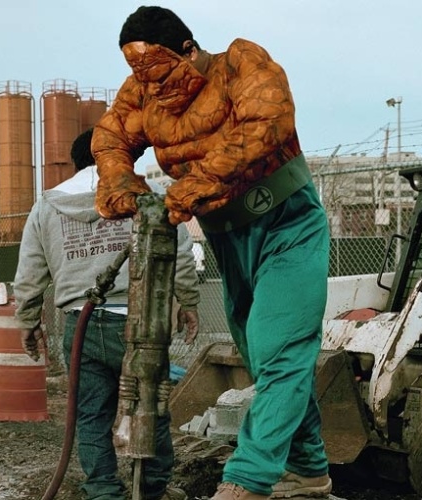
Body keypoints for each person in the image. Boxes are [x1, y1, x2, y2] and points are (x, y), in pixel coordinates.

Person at [92, 6, 332, 500]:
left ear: (188, 50)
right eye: (140, 76)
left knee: (280, 349)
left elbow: (267, 123)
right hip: (226, 236)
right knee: (263, 356)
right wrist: (121, 182)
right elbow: (111, 136)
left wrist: (197, 182)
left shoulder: (240, 64)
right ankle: (308, 469)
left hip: (287, 222)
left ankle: (248, 477)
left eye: (158, 73)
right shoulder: (142, 92)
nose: (152, 87)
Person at [13, 128, 200, 500]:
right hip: (139, 324)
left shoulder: (47, 207)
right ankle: (152, 489)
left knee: (91, 414)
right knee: (152, 407)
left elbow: (30, 271)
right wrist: (188, 301)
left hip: (78, 326)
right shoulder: (144, 197)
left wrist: (28, 320)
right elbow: (178, 251)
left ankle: (103, 491)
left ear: (76, 160)